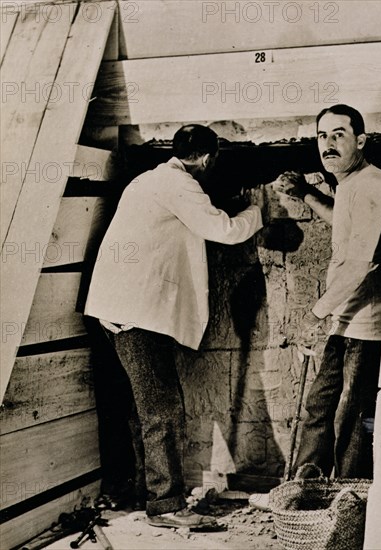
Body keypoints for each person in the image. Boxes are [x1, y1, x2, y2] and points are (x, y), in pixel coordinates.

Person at [84, 124, 264, 528]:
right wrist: (256, 210)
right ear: (206, 158)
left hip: (124, 310)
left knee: (144, 409)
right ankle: (165, 506)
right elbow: (223, 230)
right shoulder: (178, 185)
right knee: (163, 409)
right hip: (135, 314)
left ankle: (144, 492)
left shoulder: (148, 181)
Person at [250, 104, 381, 510]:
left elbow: (363, 257)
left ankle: (348, 505)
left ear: (360, 141)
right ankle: (302, 494)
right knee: (318, 406)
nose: (328, 145)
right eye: (322, 136)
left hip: (365, 324)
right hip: (342, 320)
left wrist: (316, 314)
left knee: (350, 419)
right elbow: (343, 223)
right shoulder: (351, 184)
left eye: (339, 135)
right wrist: (307, 194)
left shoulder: (372, 184)